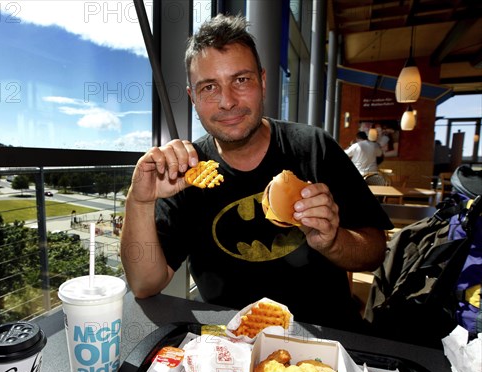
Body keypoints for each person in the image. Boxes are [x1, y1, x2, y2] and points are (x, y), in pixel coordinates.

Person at [120, 14, 392, 331]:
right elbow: (143, 284)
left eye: (241, 80)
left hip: (325, 337)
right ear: (193, 97)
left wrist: (334, 241)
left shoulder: (314, 147)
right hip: (229, 347)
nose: (227, 102)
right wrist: (139, 201)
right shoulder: (186, 171)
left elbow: (375, 250)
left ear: (262, 81)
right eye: (209, 87)